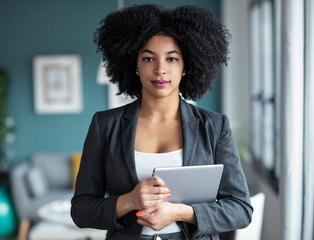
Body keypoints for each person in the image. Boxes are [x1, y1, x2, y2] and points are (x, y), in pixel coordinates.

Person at [71, 4, 253, 240]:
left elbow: (241, 209)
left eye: (172, 59)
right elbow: (81, 210)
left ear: (186, 66)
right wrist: (129, 201)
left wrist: (181, 212)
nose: (160, 70)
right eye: (148, 58)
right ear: (134, 65)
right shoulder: (105, 125)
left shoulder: (214, 127)